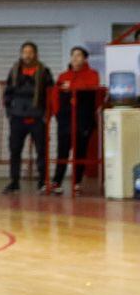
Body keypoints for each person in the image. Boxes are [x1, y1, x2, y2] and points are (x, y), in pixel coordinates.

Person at [50, 47, 102, 194]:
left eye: (78, 55)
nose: (75, 58)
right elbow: (55, 94)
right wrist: (57, 113)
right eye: (73, 55)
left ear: (85, 59)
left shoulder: (92, 74)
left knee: (80, 152)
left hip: (84, 120)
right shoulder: (63, 75)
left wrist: (71, 86)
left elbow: (91, 87)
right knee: (62, 151)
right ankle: (57, 182)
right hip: (66, 120)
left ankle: (76, 182)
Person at [3, 41, 51, 193]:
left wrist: (46, 114)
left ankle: (42, 181)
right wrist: (10, 112)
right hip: (17, 116)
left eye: (30, 52)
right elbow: (7, 93)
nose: (27, 55)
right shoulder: (15, 70)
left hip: (37, 116)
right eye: (25, 52)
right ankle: (14, 182)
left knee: (41, 150)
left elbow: (50, 93)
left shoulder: (44, 71)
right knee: (15, 150)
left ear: (35, 54)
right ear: (21, 54)